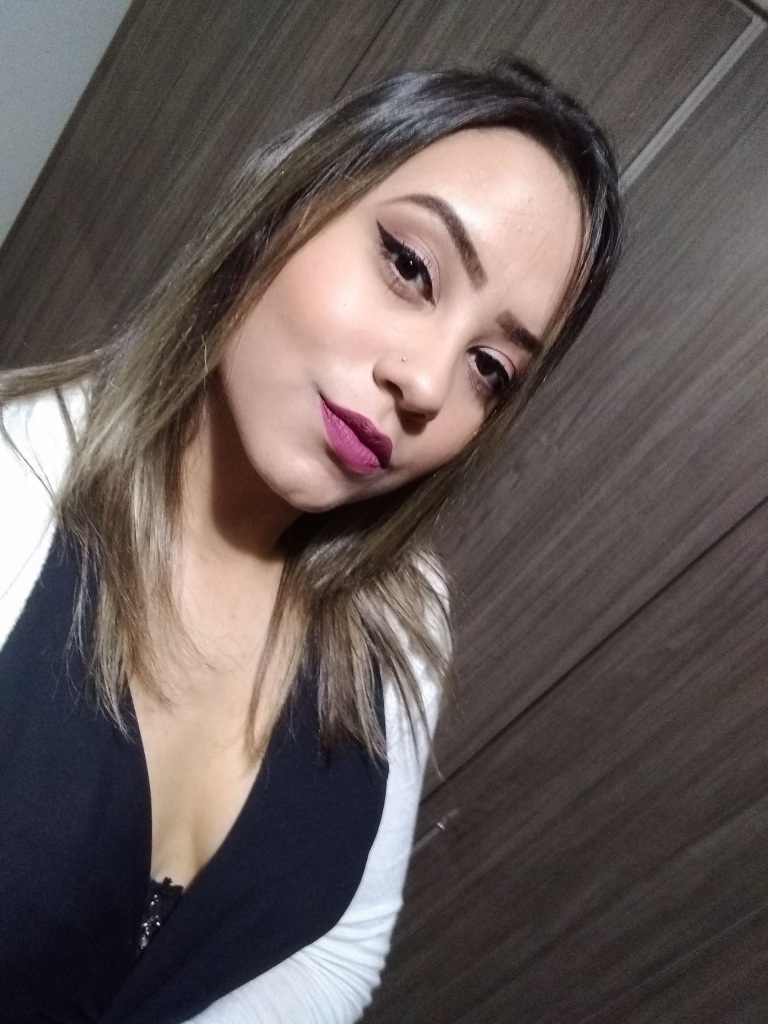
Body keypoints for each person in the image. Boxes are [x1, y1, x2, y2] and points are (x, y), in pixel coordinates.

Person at [0, 60, 622, 1023]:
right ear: (285, 205)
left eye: (490, 367)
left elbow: (338, 953)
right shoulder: (15, 492)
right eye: (410, 266)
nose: (426, 383)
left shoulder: (406, 623)